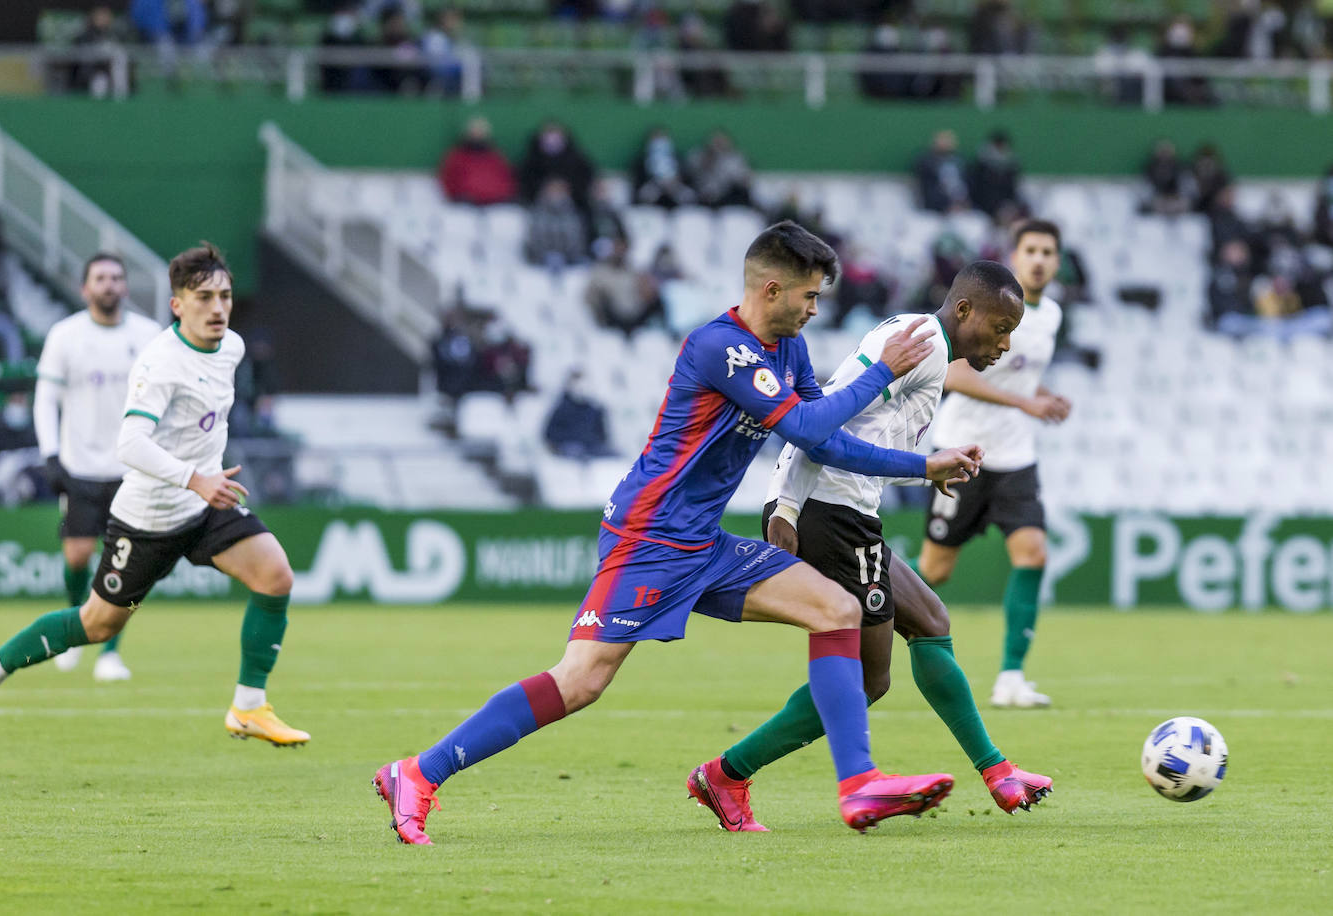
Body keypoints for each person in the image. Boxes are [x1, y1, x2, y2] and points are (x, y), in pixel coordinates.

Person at [371, 221, 981, 845]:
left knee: (837, 610)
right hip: (649, 539)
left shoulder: (788, 350)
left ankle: (857, 783)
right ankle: (418, 772)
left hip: (704, 543)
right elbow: (802, 427)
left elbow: (825, 438)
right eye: (810, 297)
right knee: (580, 680)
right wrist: (879, 374)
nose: (816, 309)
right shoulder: (721, 347)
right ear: (773, 289)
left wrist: (922, 466)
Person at [688, 260, 1052, 833]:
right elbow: (818, 421)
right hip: (829, 513)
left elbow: (864, 437)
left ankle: (998, 772)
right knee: (868, 678)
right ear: (964, 311)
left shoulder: (926, 349)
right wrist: (784, 502)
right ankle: (729, 773)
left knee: (930, 619)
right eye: (1001, 327)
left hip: (848, 510)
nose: (1006, 344)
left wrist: (931, 470)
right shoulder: (921, 344)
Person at [0, 243, 308, 747]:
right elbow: (131, 443)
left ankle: (249, 706)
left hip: (205, 503)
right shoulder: (160, 363)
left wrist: (205, 476)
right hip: (150, 517)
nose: (217, 307)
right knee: (96, 624)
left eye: (226, 296)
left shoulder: (230, 347)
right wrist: (196, 477)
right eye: (204, 297)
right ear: (177, 305)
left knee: (275, 576)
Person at [916, 219, 1072, 708]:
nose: (1040, 258)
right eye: (1032, 249)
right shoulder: (987, 306)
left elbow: (1019, 378)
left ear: (1057, 261)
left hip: (1015, 456)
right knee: (934, 571)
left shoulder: (1052, 316)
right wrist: (1026, 404)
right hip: (961, 449)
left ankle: (1010, 678)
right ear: (1015, 254)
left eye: (1049, 251)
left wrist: (1040, 396)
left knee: (1034, 554)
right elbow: (954, 375)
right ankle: (862, 632)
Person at [34, 253, 161, 681]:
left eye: (116, 278)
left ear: (125, 287)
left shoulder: (148, 335)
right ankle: (75, 634)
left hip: (133, 468)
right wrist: (51, 455)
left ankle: (110, 651)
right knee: (78, 555)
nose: (108, 284)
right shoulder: (65, 335)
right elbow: (45, 400)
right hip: (80, 466)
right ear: (85, 287)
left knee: (127, 563)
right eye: (100, 278)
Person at [437, 116, 517, 206]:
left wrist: (504, 195)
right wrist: (457, 196)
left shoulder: (496, 157)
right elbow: (448, 180)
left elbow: (507, 180)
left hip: (496, 203)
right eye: (474, 132)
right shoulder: (456, 157)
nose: (477, 135)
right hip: (466, 205)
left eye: (481, 132)